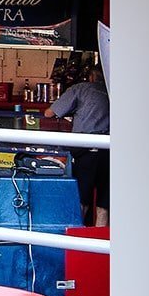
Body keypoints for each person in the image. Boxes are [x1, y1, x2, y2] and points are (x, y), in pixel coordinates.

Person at [44, 65, 109, 226]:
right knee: (104, 204)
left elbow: (49, 113)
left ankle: (78, 242)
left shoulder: (80, 89)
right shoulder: (115, 91)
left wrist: (74, 112)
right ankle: (100, 246)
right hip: (111, 151)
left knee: (82, 200)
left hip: (86, 151)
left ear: (91, 77)